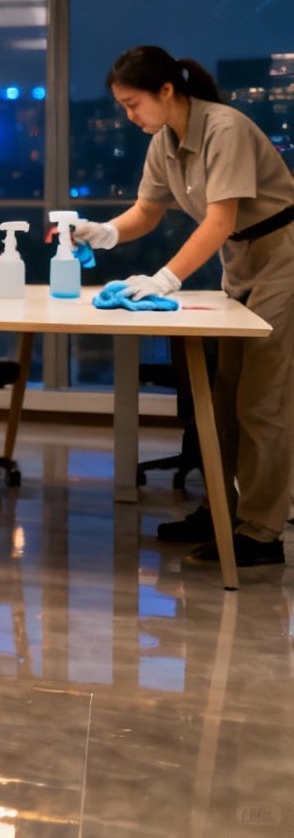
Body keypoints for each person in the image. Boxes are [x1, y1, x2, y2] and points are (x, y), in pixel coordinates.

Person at [74, 46, 294, 567]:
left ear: (166, 91)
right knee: (220, 400)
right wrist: (104, 233)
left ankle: (261, 534)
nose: (129, 117)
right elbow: (147, 212)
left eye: (133, 104)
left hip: (282, 257)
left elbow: (219, 218)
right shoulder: (165, 141)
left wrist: (167, 278)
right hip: (239, 263)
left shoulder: (225, 129)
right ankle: (220, 510)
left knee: (262, 401)